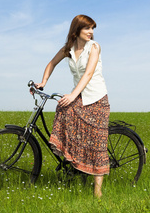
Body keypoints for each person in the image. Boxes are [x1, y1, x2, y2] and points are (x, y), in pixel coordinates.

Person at [35, 15, 110, 198]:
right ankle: (74, 161)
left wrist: (72, 95)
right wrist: (42, 82)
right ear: (76, 30)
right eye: (87, 28)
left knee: (97, 142)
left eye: (92, 28)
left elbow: (89, 73)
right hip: (80, 95)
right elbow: (51, 63)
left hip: (96, 98)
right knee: (62, 109)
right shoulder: (68, 48)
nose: (91, 32)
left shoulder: (94, 47)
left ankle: (97, 191)